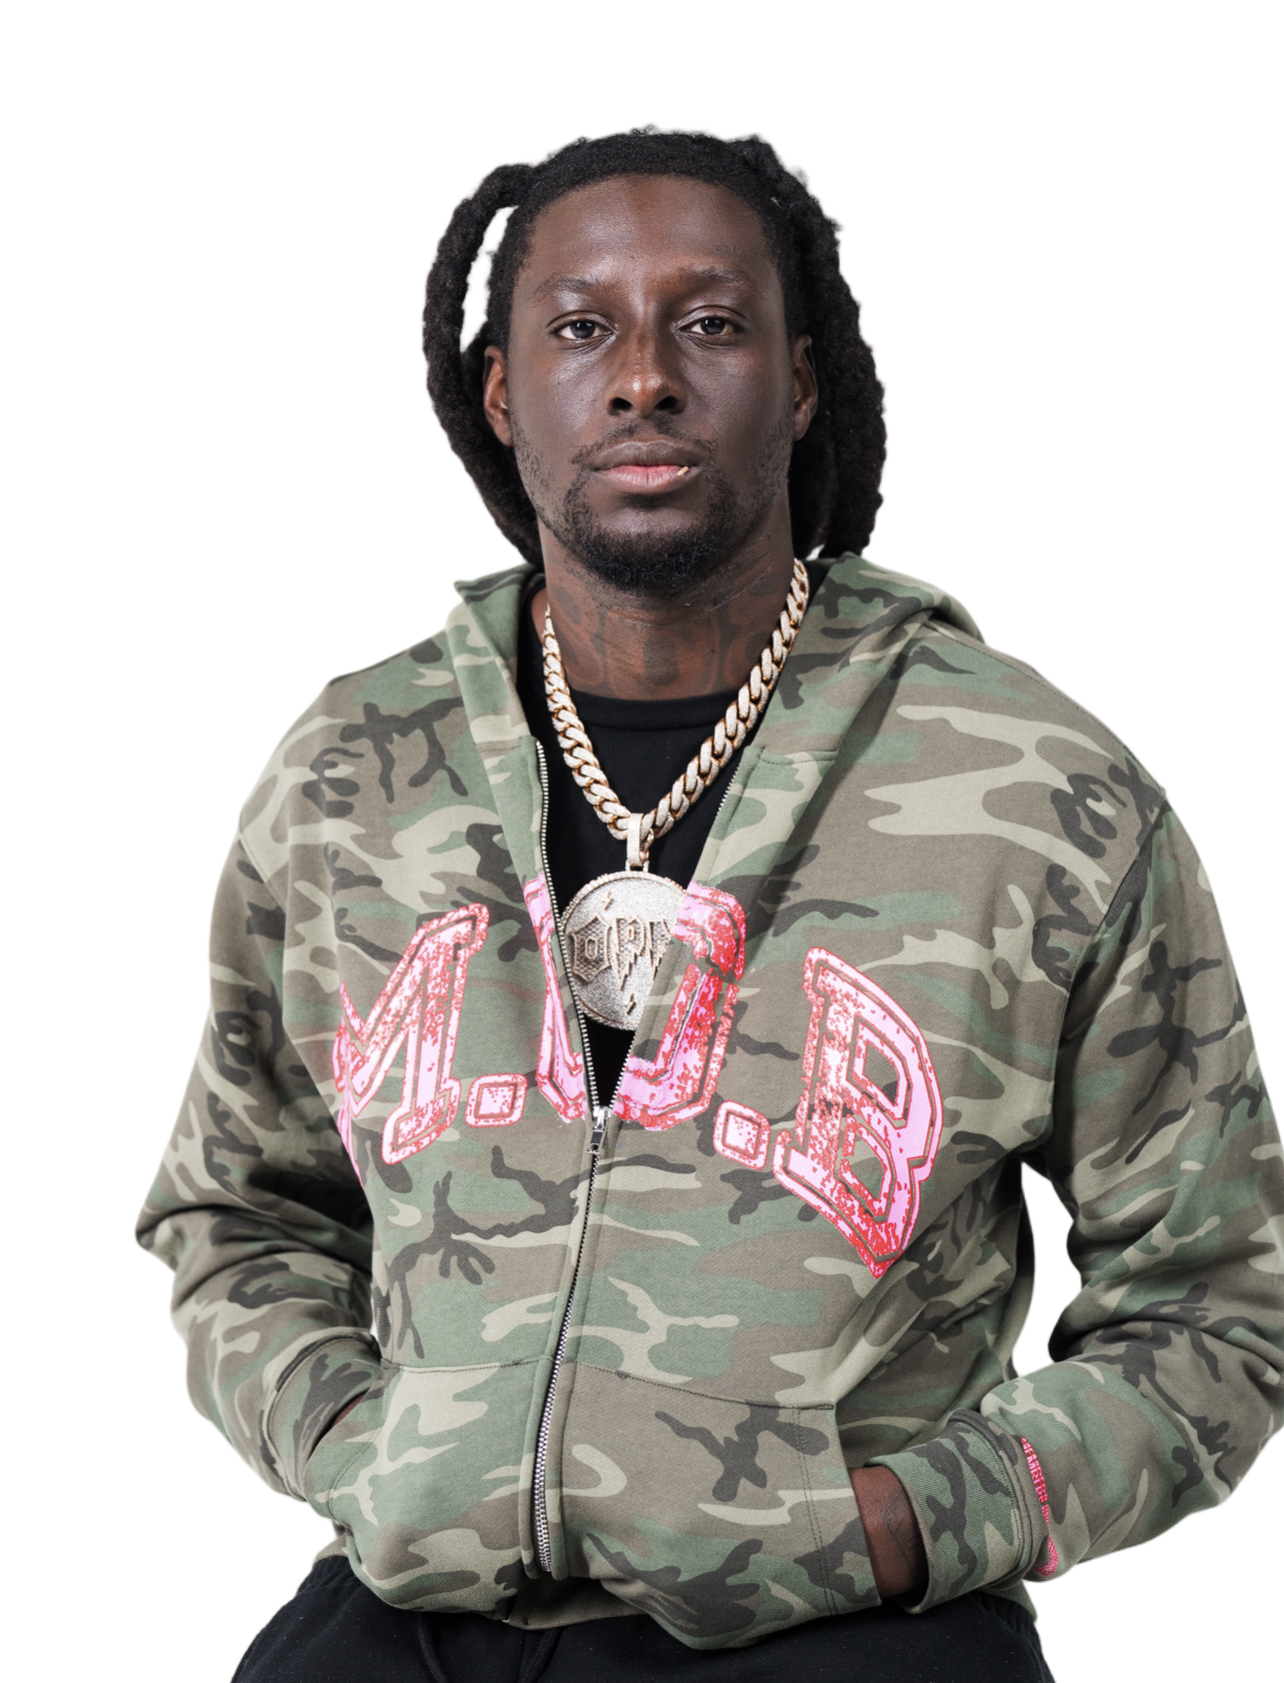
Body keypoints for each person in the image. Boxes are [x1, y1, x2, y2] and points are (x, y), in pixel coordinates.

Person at [137, 130, 1283, 1682]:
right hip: (408, 1621)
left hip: (850, 1630)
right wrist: (366, 1454)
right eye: (581, 326)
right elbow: (239, 1211)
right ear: (500, 392)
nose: (643, 379)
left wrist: (907, 1524)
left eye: (711, 322)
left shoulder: (1037, 787)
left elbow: (1220, 1302)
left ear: (801, 383)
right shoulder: (355, 771)